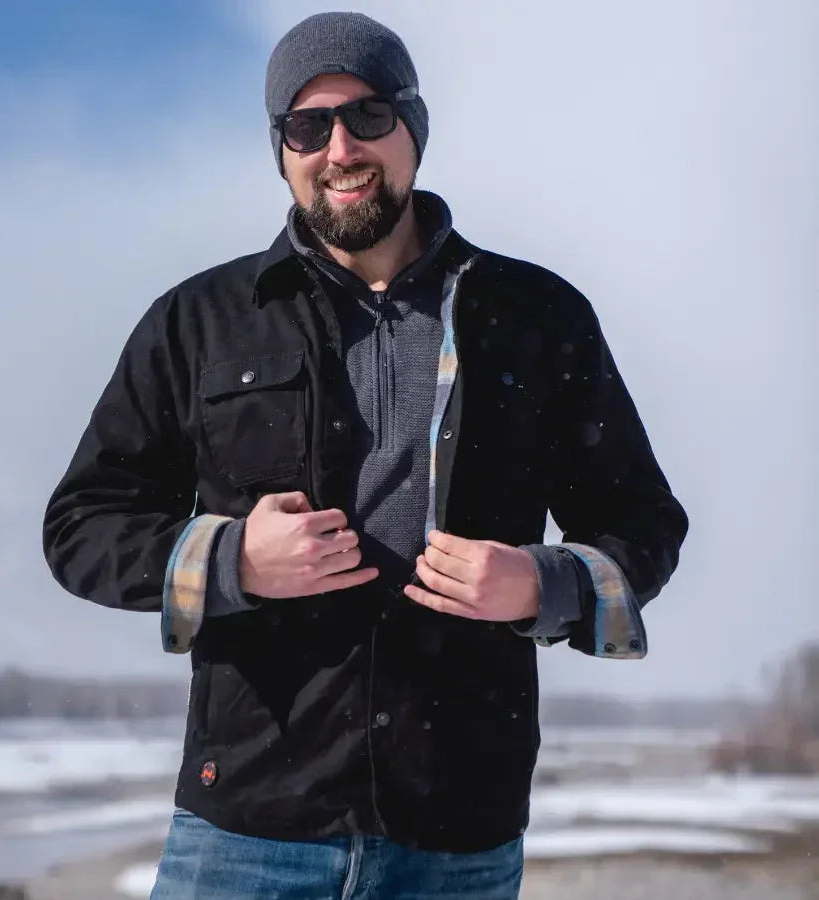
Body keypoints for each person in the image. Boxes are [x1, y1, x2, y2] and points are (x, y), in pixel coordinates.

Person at [42, 11, 688, 899]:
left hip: (458, 830)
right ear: (282, 150)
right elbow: (81, 525)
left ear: (413, 130)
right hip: (247, 828)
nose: (340, 147)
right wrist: (231, 558)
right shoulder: (201, 320)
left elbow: (640, 520)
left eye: (368, 116)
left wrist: (547, 584)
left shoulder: (538, 316)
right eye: (307, 126)